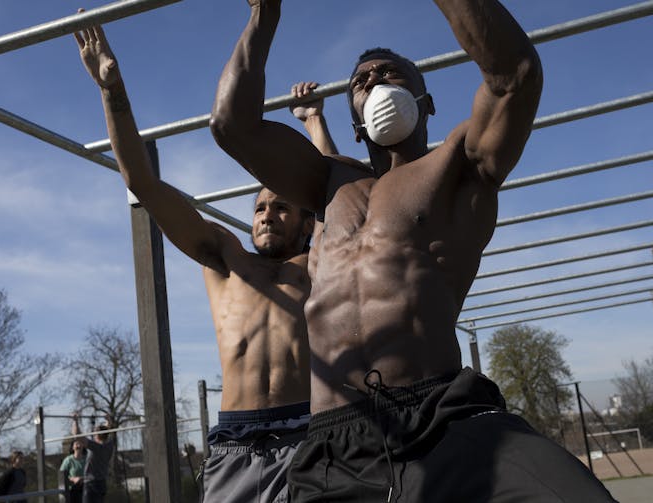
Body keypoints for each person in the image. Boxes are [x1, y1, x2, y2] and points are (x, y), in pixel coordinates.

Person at [210, 0, 617, 501]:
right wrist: (263, 16)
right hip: (336, 440)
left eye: (392, 74)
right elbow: (232, 124)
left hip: (443, 418)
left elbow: (515, 74)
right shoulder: (327, 183)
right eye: (361, 82)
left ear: (426, 101)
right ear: (356, 122)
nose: (376, 81)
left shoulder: (460, 165)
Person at [73, 15, 337, 503]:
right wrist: (113, 90)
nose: (267, 215)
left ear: (305, 222)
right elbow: (142, 183)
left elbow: (335, 195)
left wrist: (315, 121)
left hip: (306, 438)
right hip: (234, 444)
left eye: (281, 206)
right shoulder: (225, 259)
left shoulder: (318, 266)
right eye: (259, 207)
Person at [71, 415, 115, 503]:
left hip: (91, 484)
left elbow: (77, 435)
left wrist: (75, 421)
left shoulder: (95, 447)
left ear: (97, 436)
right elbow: (106, 431)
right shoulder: (109, 445)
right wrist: (109, 421)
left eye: (95, 434)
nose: (93, 435)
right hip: (102, 483)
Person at [60, 438, 87, 503]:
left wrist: (83, 479)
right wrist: (73, 479)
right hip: (73, 491)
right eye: (76, 444)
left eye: (80, 443)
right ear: (72, 447)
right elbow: (61, 476)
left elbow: (92, 474)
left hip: (86, 489)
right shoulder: (68, 460)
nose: (78, 446)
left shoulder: (87, 459)